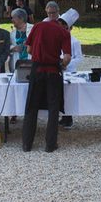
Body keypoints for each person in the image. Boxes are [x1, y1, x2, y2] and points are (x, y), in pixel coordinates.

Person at [22, 13, 71, 153]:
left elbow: (29, 49)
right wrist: (61, 63)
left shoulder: (38, 26)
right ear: (63, 23)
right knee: (53, 108)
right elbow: (67, 58)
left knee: (32, 106)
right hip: (53, 72)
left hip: (37, 70)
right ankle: (50, 144)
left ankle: (27, 144)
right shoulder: (63, 32)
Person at [57, 9, 83, 129]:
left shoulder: (75, 42)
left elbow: (78, 58)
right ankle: (62, 116)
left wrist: (66, 64)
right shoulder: (56, 38)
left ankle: (68, 118)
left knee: (68, 94)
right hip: (57, 69)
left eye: (66, 28)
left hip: (69, 71)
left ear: (70, 28)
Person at [9, 8, 34, 73]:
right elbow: (7, 47)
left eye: (13, 18)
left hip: (32, 64)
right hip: (17, 65)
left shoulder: (33, 29)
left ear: (21, 18)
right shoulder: (12, 33)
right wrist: (12, 48)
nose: (12, 20)